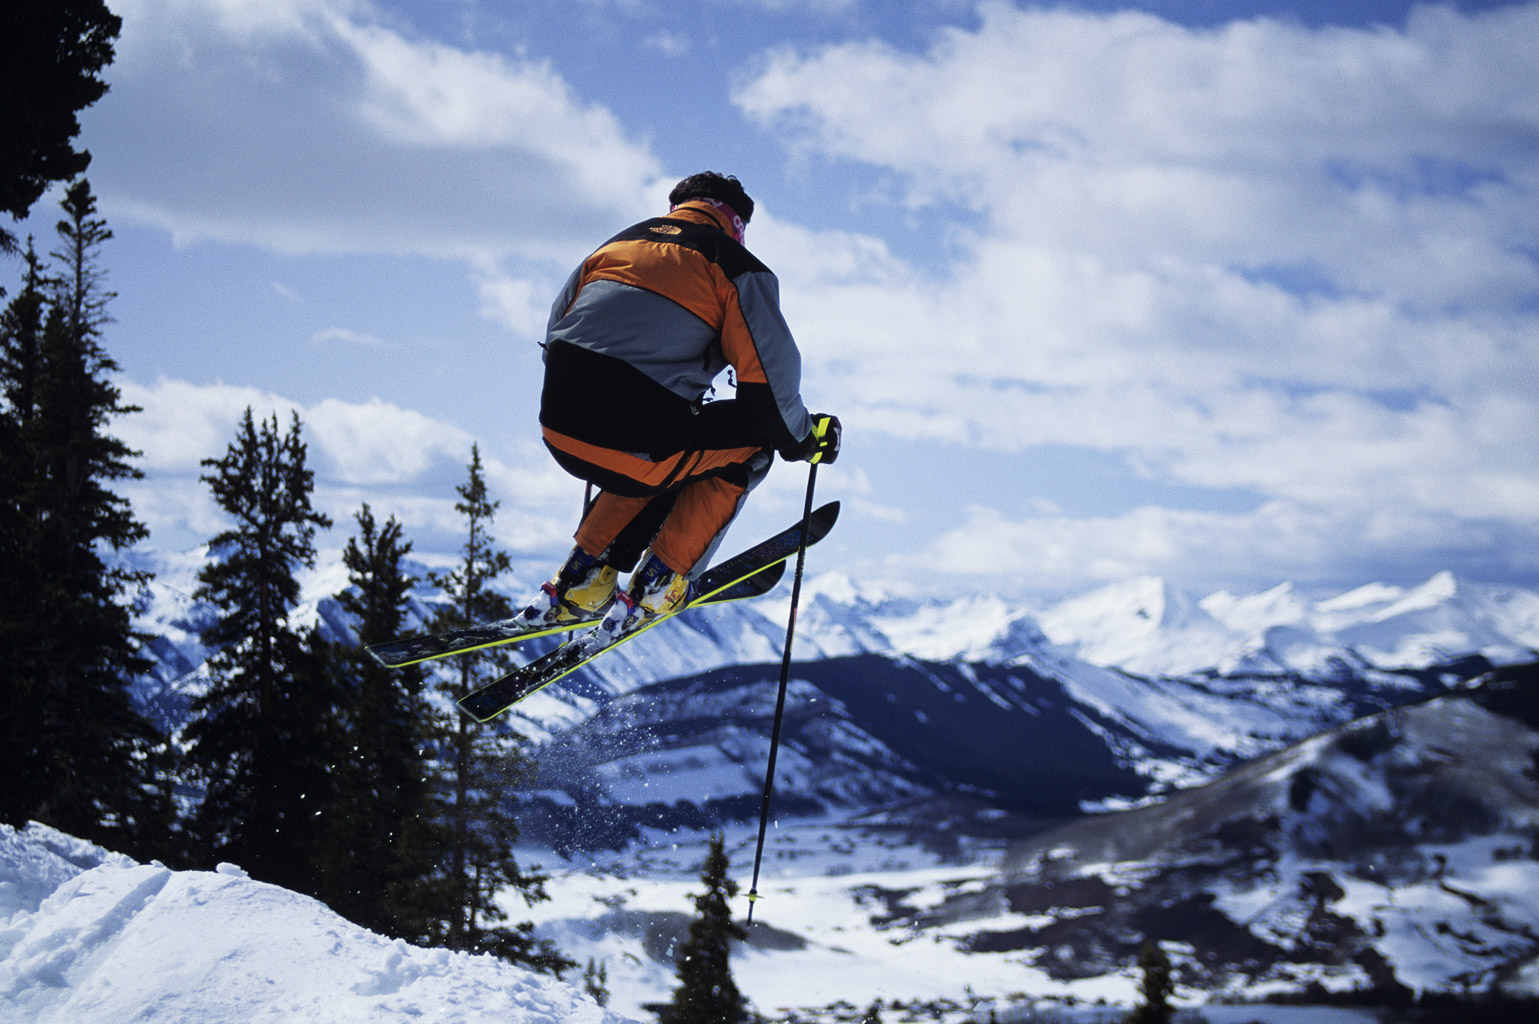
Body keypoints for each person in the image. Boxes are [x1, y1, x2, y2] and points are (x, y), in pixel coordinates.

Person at [520, 171, 840, 639]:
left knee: (672, 442)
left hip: (558, 429)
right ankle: (660, 582)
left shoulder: (614, 248)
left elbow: (556, 336)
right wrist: (805, 438)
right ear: (735, 224)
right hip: (639, 443)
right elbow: (770, 389)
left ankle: (581, 578)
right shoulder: (732, 265)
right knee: (748, 445)